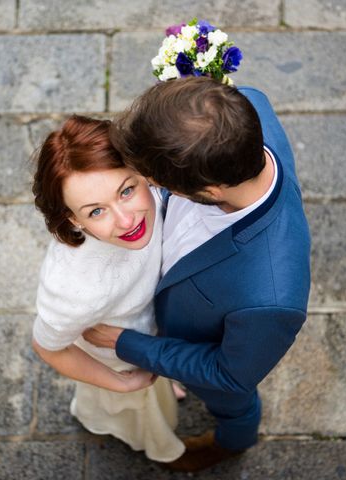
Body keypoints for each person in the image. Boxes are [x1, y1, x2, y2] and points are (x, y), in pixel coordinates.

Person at [83, 77, 311, 472]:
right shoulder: (247, 104)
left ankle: (231, 445)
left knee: (235, 407)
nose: (147, 184)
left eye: (154, 180)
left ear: (210, 190)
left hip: (207, 366)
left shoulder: (271, 298)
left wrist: (128, 344)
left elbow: (227, 374)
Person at [31, 115, 185, 463]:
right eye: (97, 211)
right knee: (137, 415)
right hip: (120, 363)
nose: (127, 220)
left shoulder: (158, 195)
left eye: (126, 190)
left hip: (156, 335)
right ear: (74, 220)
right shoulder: (73, 288)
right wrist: (123, 383)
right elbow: (48, 347)